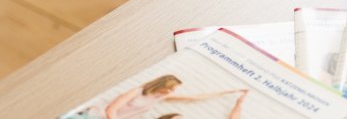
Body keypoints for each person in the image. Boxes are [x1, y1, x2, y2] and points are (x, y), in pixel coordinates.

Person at [65, 75, 243, 119]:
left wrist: (228, 92)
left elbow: (194, 97)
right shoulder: (137, 91)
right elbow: (111, 109)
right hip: (95, 116)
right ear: (163, 85)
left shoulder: (159, 98)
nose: (171, 92)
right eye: (171, 89)